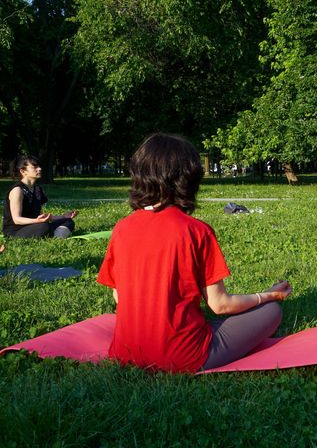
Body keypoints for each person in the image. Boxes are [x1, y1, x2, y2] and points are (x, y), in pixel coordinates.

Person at [97, 133, 291, 373]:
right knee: (271, 312)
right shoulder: (196, 231)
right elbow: (220, 305)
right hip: (184, 359)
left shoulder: (121, 228)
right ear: (188, 179)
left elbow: (119, 299)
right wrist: (267, 295)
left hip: (125, 354)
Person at [2, 155, 77, 239]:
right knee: (44, 227)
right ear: (23, 171)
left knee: (68, 221)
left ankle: (56, 238)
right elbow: (17, 219)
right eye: (35, 167)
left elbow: (41, 216)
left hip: (35, 225)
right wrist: (36, 221)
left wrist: (63, 216)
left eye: (39, 166)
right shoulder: (17, 190)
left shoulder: (37, 189)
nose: (39, 169)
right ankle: (55, 236)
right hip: (15, 231)